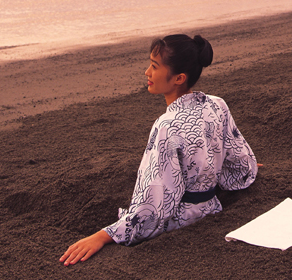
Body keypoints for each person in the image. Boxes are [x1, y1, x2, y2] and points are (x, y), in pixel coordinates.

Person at [59, 34, 258, 266]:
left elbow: (154, 206)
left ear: (179, 78)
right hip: (212, 206)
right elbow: (240, 161)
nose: (147, 72)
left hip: (184, 219)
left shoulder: (167, 126)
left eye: (154, 66)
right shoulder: (216, 104)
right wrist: (235, 166)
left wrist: (104, 235)